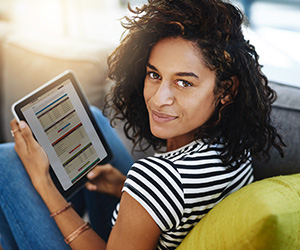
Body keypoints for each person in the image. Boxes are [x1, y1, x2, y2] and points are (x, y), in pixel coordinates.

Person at [0, 0, 285, 249]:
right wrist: (124, 187)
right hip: (149, 212)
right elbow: (177, 204)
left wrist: (42, 182)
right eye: (154, 75)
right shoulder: (235, 144)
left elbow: (162, 188)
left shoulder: (155, 178)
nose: (159, 99)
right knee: (94, 119)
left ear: (226, 90)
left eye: (184, 82)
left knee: (6, 160)